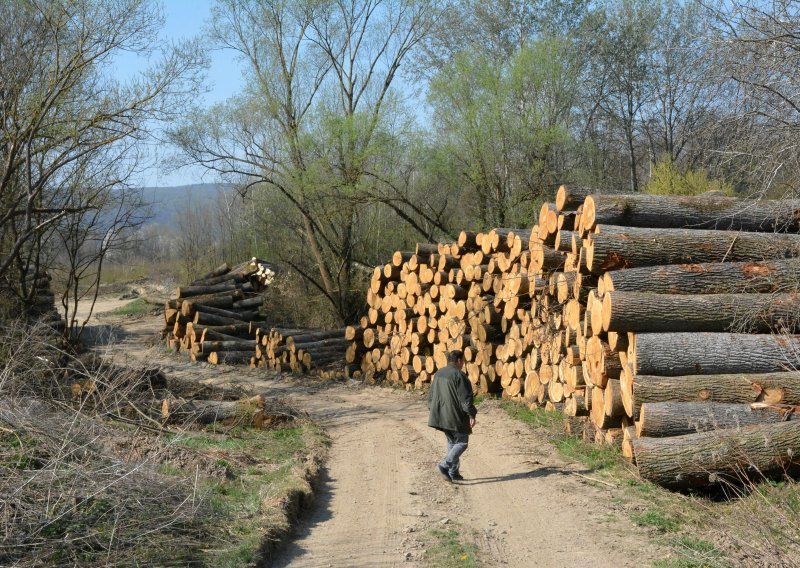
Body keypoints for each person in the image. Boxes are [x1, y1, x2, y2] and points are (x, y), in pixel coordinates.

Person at [427, 350, 477, 482]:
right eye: (463, 361)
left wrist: (432, 410)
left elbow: (431, 396)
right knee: (462, 442)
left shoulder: (439, 373)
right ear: (459, 361)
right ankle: (444, 466)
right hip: (454, 416)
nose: (463, 363)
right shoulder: (459, 375)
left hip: (440, 415)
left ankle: (453, 472)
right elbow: (466, 399)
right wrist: (471, 415)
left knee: (451, 442)